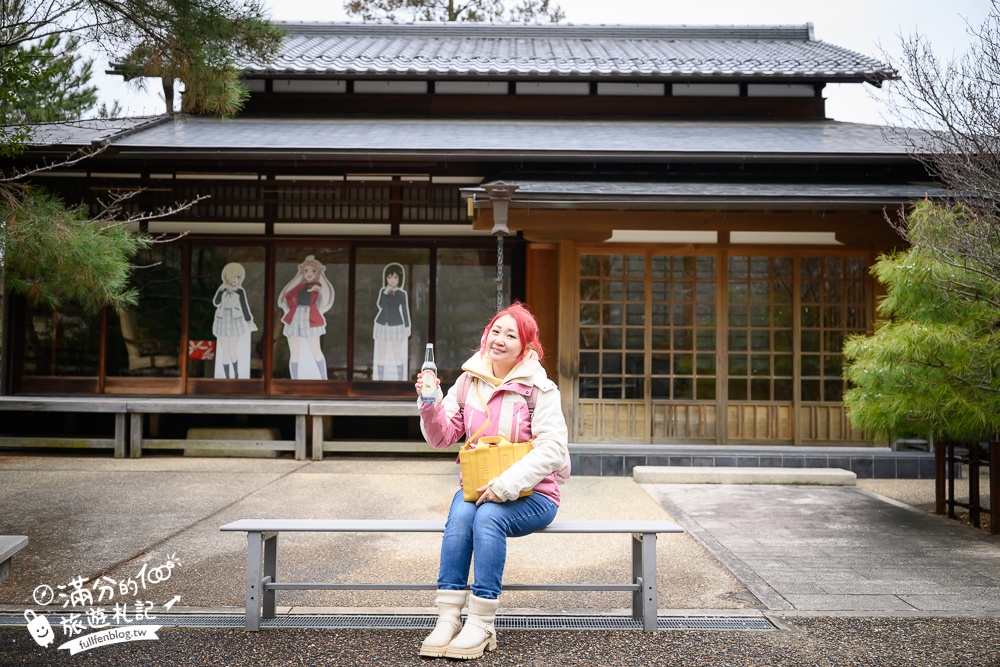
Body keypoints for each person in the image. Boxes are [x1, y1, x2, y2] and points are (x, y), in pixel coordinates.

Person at [415, 302, 569, 660]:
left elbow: (553, 451)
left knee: (486, 517)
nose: (499, 339)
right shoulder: (469, 381)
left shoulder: (540, 390)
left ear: (526, 347)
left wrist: (503, 486)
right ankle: (449, 617)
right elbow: (442, 436)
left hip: (534, 495)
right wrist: (430, 402)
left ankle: (481, 621)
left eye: (510, 335)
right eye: (495, 331)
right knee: (461, 517)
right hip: (478, 489)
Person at [277, 255, 335, 380]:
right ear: (302, 272)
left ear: (317, 273)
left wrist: (317, 289)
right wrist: (293, 307)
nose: (309, 274)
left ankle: (323, 379)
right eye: (306, 270)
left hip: (310, 318)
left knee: (316, 350)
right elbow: (288, 296)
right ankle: (295, 380)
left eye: (313, 271)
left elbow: (319, 287)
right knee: (294, 353)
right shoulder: (301, 286)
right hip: (296, 317)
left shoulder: (317, 285)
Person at [212, 262, 257, 379]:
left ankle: (236, 375)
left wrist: (249, 321)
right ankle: (226, 378)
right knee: (225, 351)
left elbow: (244, 307)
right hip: (222, 320)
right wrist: (221, 289)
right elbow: (216, 302)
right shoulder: (222, 289)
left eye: (238, 277)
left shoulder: (240, 291)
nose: (235, 280)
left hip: (235, 320)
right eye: (234, 276)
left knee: (232, 350)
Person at [373, 263, 411, 381]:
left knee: (397, 354)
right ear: (385, 278)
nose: (392, 280)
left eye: (395, 277)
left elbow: (404, 310)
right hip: (381, 323)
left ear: (400, 279)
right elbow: (380, 305)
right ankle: (379, 382)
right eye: (389, 277)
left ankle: (400, 382)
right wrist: (385, 293)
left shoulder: (402, 294)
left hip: (396, 324)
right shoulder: (383, 292)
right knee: (382, 355)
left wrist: (407, 326)